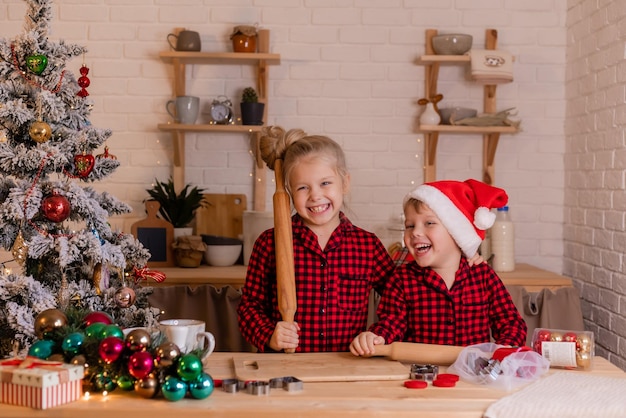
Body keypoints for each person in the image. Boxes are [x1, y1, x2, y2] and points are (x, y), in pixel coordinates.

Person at [237, 126, 396, 352]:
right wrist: (269, 334)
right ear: (291, 192)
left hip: (344, 369)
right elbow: (249, 307)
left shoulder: (367, 247)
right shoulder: (269, 243)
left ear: (345, 183)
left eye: (325, 183)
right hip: (285, 369)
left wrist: (378, 335)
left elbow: (399, 300)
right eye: (303, 187)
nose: (315, 195)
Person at [350, 179, 527, 356]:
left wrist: (504, 352)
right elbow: (391, 323)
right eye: (410, 226)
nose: (415, 232)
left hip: (472, 375)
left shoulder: (483, 276)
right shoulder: (402, 280)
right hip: (419, 374)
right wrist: (375, 337)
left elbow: (510, 323)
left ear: (456, 232)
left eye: (429, 223)